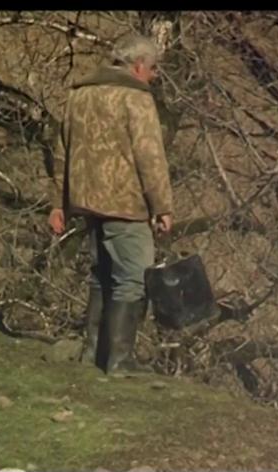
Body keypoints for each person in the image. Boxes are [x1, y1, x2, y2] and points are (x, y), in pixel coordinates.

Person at [48, 34, 174, 375]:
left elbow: (62, 150)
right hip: (125, 202)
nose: (155, 75)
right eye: (153, 68)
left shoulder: (79, 94)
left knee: (102, 274)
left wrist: (58, 202)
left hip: (86, 200)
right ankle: (120, 360)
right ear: (138, 65)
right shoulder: (136, 98)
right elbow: (150, 157)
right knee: (133, 277)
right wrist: (162, 206)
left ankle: (93, 353)